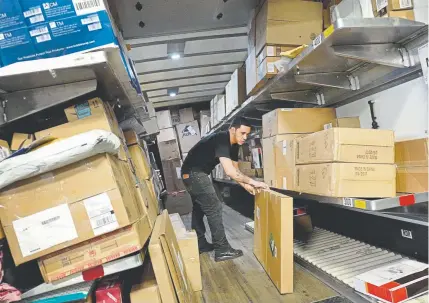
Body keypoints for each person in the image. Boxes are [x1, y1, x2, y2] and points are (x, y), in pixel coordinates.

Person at [181, 117, 269, 262]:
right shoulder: (222, 139)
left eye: (247, 134)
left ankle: (199, 244)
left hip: (193, 174)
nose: (245, 137)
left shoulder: (234, 145)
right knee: (214, 207)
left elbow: (235, 171)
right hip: (193, 173)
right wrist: (254, 182)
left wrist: (246, 186)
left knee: (199, 208)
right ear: (233, 129)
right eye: (242, 133)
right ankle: (222, 249)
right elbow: (229, 172)